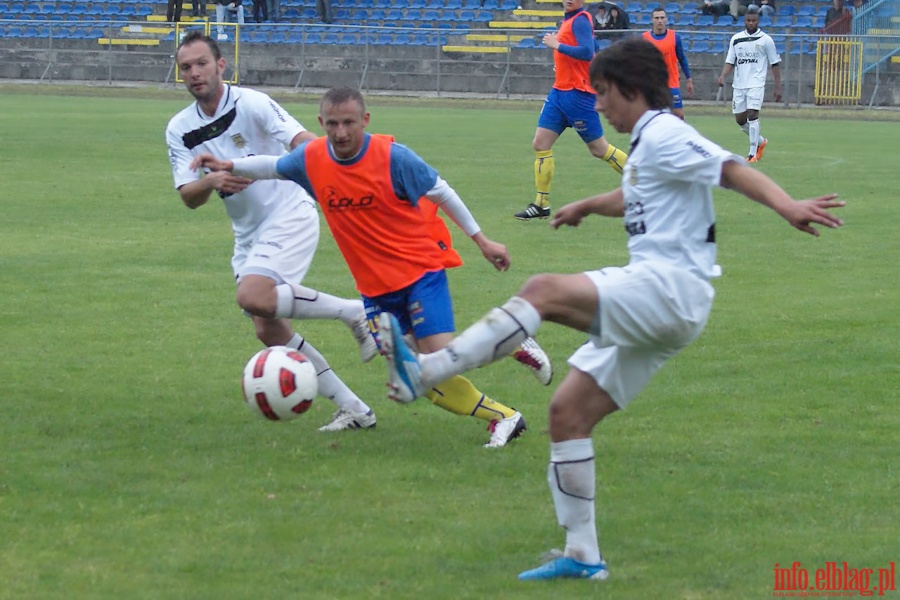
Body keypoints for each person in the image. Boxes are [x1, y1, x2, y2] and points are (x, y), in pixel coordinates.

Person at [379, 37, 844, 581]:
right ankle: (583, 557)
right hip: (665, 299)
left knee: (543, 291)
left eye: (602, 94)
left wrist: (788, 205)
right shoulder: (649, 143)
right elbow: (635, 194)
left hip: (669, 288)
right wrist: (585, 207)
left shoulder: (666, 130)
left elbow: (729, 169)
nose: (597, 104)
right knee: (567, 415)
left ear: (631, 90)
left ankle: (431, 370)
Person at [190, 87, 555, 449]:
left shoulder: (393, 157)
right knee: (415, 376)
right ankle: (504, 417)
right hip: (375, 291)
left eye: (349, 122)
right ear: (321, 123)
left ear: (365, 120)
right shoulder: (313, 157)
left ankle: (513, 340)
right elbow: (273, 166)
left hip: (418, 273)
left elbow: (441, 191)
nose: (341, 132)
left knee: (439, 357)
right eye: (332, 124)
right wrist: (229, 165)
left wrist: (483, 241)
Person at [166, 33, 380, 433]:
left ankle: (354, 311)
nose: (194, 73)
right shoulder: (179, 128)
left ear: (221, 65)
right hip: (247, 233)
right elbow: (188, 197)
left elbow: (305, 143)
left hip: (289, 210)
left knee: (252, 295)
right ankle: (355, 409)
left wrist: (325, 174)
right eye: (186, 68)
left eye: (201, 64)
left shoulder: (252, 102)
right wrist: (212, 182)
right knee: (268, 327)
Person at [514, 0, 628, 221]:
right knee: (540, 143)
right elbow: (593, 47)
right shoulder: (569, 20)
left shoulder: (581, 19)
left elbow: (586, 52)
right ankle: (541, 204)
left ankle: (645, 182)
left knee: (599, 149)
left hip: (578, 94)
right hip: (560, 92)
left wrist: (557, 46)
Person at [717, 7, 782, 162]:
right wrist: (723, 75)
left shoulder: (766, 40)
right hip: (739, 84)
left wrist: (778, 86)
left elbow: (775, 64)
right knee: (740, 120)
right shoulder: (736, 39)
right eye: (748, 20)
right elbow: (730, 61)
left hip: (756, 83)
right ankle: (761, 142)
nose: (751, 23)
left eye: (754, 20)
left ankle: (752, 153)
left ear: (758, 21)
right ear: (744, 21)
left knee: (752, 114)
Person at [642, 7, 693, 120]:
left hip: (671, 83)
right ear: (652, 20)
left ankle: (680, 136)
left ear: (666, 19)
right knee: (653, 117)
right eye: (657, 18)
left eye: (662, 18)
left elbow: (682, 59)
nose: (659, 20)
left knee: (678, 115)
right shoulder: (645, 38)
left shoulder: (675, 37)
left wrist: (689, 78)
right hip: (653, 84)